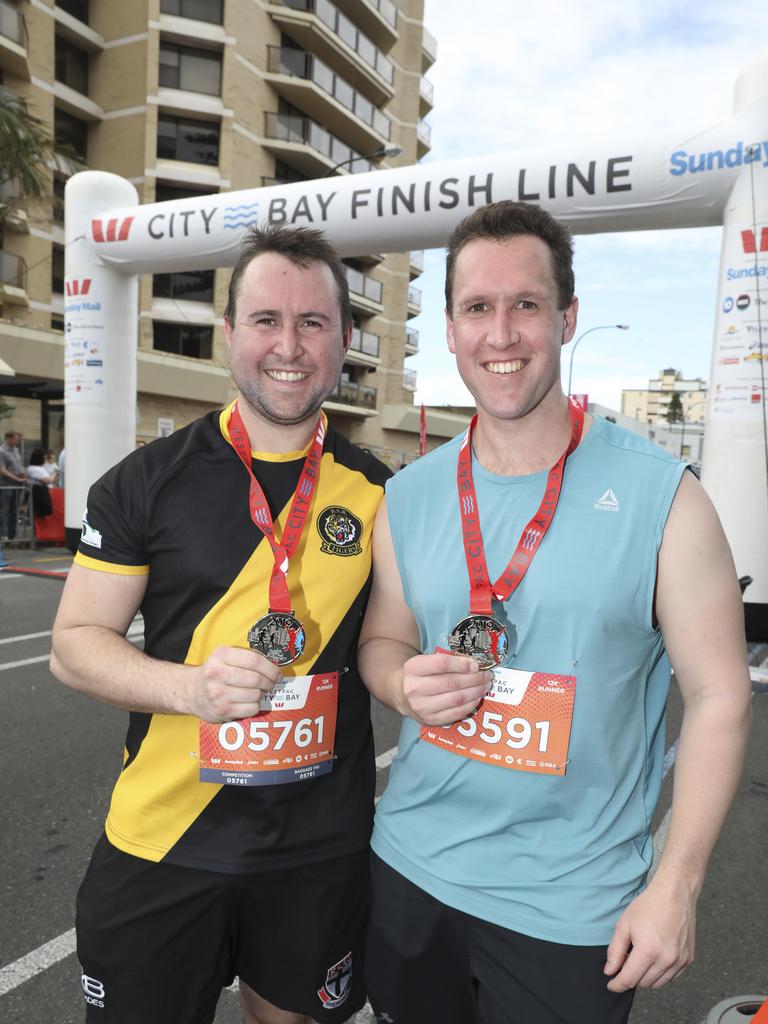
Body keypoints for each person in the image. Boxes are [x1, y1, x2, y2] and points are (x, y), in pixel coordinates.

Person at [358, 201, 752, 1024]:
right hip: (410, 869)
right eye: (477, 308)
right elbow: (384, 638)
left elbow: (720, 695)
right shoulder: (408, 495)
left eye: (525, 305)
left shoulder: (664, 498)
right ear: (452, 327)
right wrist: (400, 683)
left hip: (572, 907)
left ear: (566, 318)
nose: (500, 334)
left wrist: (675, 886)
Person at [50, 224, 390, 1024]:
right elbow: (73, 646)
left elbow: (395, 646)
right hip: (164, 839)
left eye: (313, 323)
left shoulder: (385, 495)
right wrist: (190, 689)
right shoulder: (143, 482)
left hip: (317, 850)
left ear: (344, 339)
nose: (290, 345)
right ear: (229, 333)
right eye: (267, 320)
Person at [0, 429, 25, 540]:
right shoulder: (2, 451)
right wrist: (16, 478)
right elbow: (2, 470)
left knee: (14, 510)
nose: (17, 441)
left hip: (17, 485)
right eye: (15, 439)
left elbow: (18, 465)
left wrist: (22, 474)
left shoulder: (16, 450)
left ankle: (12, 534)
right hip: (6, 485)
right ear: (8, 438)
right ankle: (3, 534)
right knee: (4, 510)